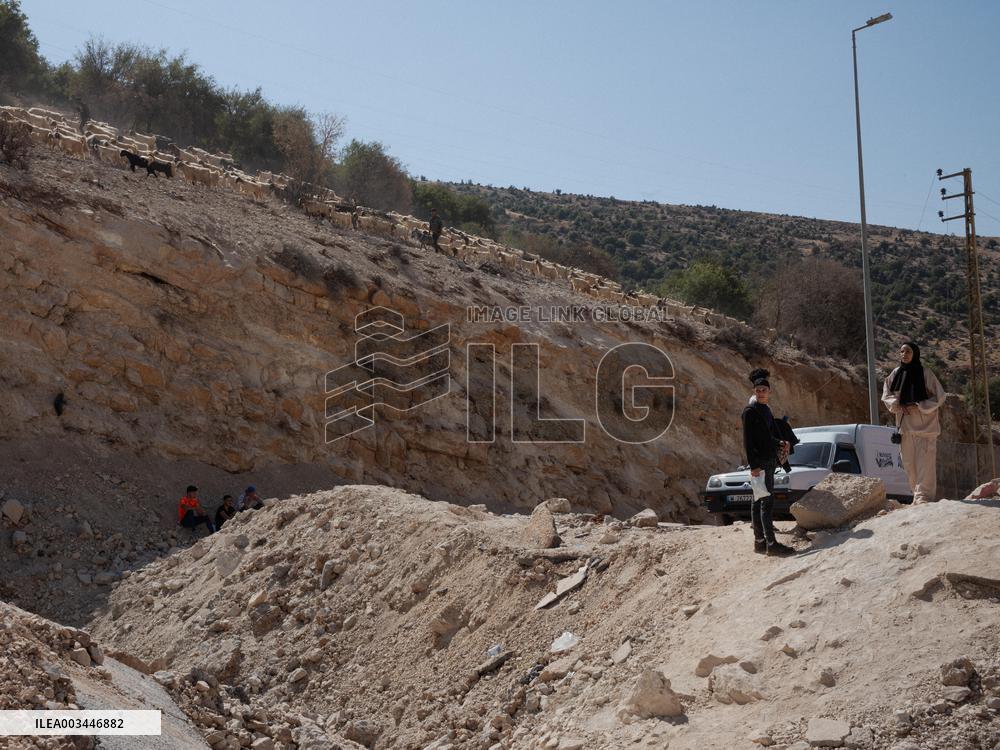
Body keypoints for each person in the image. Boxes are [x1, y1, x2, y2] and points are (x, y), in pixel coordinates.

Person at [881, 342, 945, 504]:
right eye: (901, 351)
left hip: (925, 428)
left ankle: (924, 497)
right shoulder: (896, 373)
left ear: (915, 353)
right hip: (905, 427)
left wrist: (918, 404)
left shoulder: (925, 373)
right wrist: (898, 403)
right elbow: (886, 394)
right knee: (909, 464)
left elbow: (940, 396)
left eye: (908, 351)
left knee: (925, 465)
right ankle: (916, 496)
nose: (904, 354)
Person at [741, 369, 796, 556]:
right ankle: (771, 544)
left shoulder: (766, 410)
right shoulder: (750, 411)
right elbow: (748, 441)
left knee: (758, 501)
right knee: (766, 502)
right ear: (754, 391)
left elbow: (766, 437)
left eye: (764, 389)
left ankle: (760, 542)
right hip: (761, 463)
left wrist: (780, 442)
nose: (761, 392)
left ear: (769, 391)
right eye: (758, 390)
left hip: (770, 459)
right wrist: (754, 465)